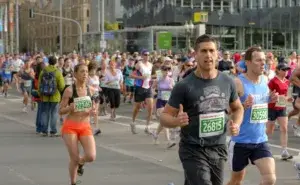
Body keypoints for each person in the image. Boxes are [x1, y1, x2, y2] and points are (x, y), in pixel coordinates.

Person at [160, 34, 244, 185]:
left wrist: (236, 124)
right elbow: (164, 117)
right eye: (204, 51)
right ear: (195, 54)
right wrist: (176, 121)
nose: (208, 55)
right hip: (192, 148)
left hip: (218, 147)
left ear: (217, 54)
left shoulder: (227, 82)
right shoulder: (184, 86)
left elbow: (238, 108)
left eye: (212, 51)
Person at [226, 47, 278, 185]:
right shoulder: (238, 83)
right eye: (259, 60)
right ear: (248, 62)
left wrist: (271, 99)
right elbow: (228, 111)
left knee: (270, 179)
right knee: (236, 180)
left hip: (260, 140)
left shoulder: (265, 80)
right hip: (241, 141)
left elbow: (262, 102)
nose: (263, 63)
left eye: (264, 60)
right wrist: (243, 106)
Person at [59, 64, 98, 185]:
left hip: (85, 126)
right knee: (74, 158)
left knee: (91, 156)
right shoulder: (69, 90)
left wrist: (94, 111)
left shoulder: (91, 90)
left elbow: (95, 108)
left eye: (86, 71)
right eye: (82, 71)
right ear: (75, 74)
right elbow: (60, 110)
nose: (85, 74)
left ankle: (81, 163)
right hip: (70, 126)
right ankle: (73, 182)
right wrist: (70, 108)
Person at [266, 63, 293, 160]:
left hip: (282, 107)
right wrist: (272, 96)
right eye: (283, 70)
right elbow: (267, 93)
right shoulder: (273, 81)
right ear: (278, 70)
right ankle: (263, 147)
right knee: (269, 130)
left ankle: (284, 151)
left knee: (284, 128)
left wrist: (288, 99)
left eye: (287, 70)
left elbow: (285, 95)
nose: (286, 72)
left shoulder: (286, 81)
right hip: (272, 107)